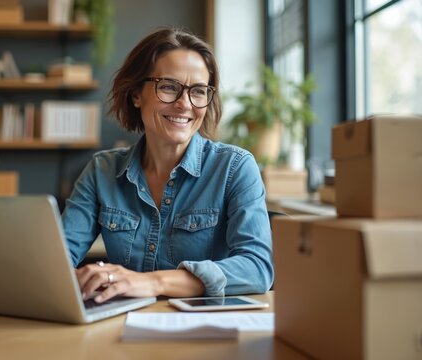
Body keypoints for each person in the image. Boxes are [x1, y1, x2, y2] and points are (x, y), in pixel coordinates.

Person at [62, 27, 273, 304]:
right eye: (169, 87)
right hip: (121, 327)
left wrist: (152, 282)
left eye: (198, 91)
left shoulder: (235, 168)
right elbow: (57, 259)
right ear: (136, 94)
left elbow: (258, 269)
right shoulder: (102, 170)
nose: (185, 104)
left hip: (206, 332)